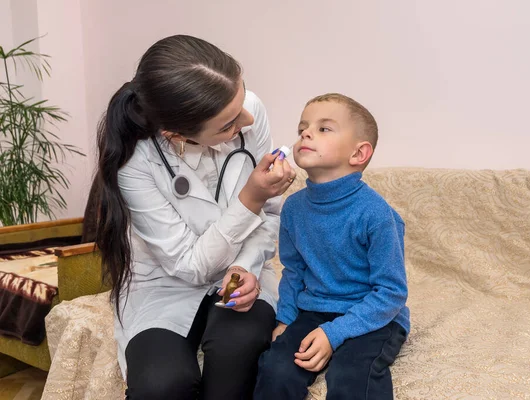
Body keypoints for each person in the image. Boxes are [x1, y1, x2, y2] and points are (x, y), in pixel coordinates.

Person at [92, 34, 296, 399]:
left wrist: (247, 266)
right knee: (161, 385)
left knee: (237, 350)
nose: (247, 119)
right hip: (165, 284)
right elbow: (189, 266)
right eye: (229, 124)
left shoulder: (248, 110)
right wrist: (250, 197)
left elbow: (270, 216)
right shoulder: (136, 163)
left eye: (243, 97)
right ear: (175, 135)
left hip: (239, 273)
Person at [254, 93, 410, 399]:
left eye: (324, 128)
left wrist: (335, 333)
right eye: (302, 129)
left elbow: (391, 293)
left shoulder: (376, 213)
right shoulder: (294, 208)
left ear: (358, 153)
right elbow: (293, 270)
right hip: (314, 310)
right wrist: (285, 318)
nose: (306, 134)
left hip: (373, 315)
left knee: (351, 374)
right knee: (276, 369)